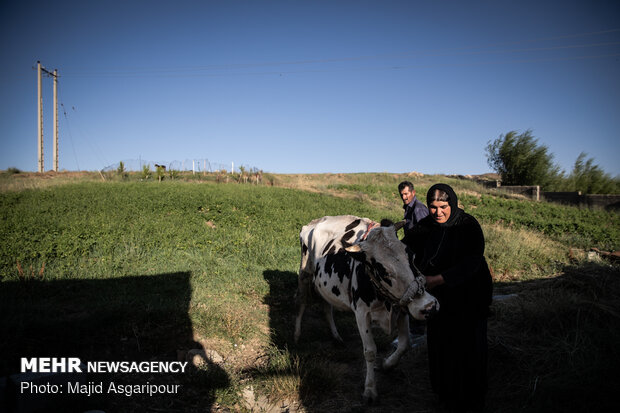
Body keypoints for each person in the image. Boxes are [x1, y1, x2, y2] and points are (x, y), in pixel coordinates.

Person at [402, 183, 493, 412]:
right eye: (433, 207)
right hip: (440, 301)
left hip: (469, 298)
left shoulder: (468, 226)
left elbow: (472, 262)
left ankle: (470, 399)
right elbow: (405, 245)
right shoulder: (426, 226)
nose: (438, 212)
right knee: (441, 345)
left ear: (452, 203)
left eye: (443, 206)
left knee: (468, 347)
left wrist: (438, 279)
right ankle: (445, 393)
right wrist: (382, 235)